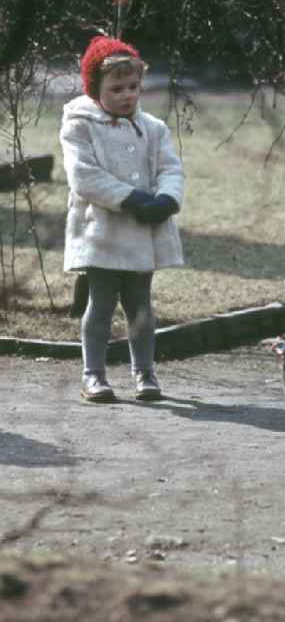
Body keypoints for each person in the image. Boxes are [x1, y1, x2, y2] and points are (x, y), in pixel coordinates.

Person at [60, 35, 185, 403]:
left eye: (133, 87)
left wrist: (166, 198)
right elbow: (83, 175)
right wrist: (128, 197)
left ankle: (145, 372)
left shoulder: (153, 128)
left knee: (141, 306)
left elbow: (170, 168)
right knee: (100, 304)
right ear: (95, 89)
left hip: (143, 232)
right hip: (102, 232)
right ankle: (93, 374)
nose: (127, 95)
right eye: (116, 88)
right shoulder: (79, 125)